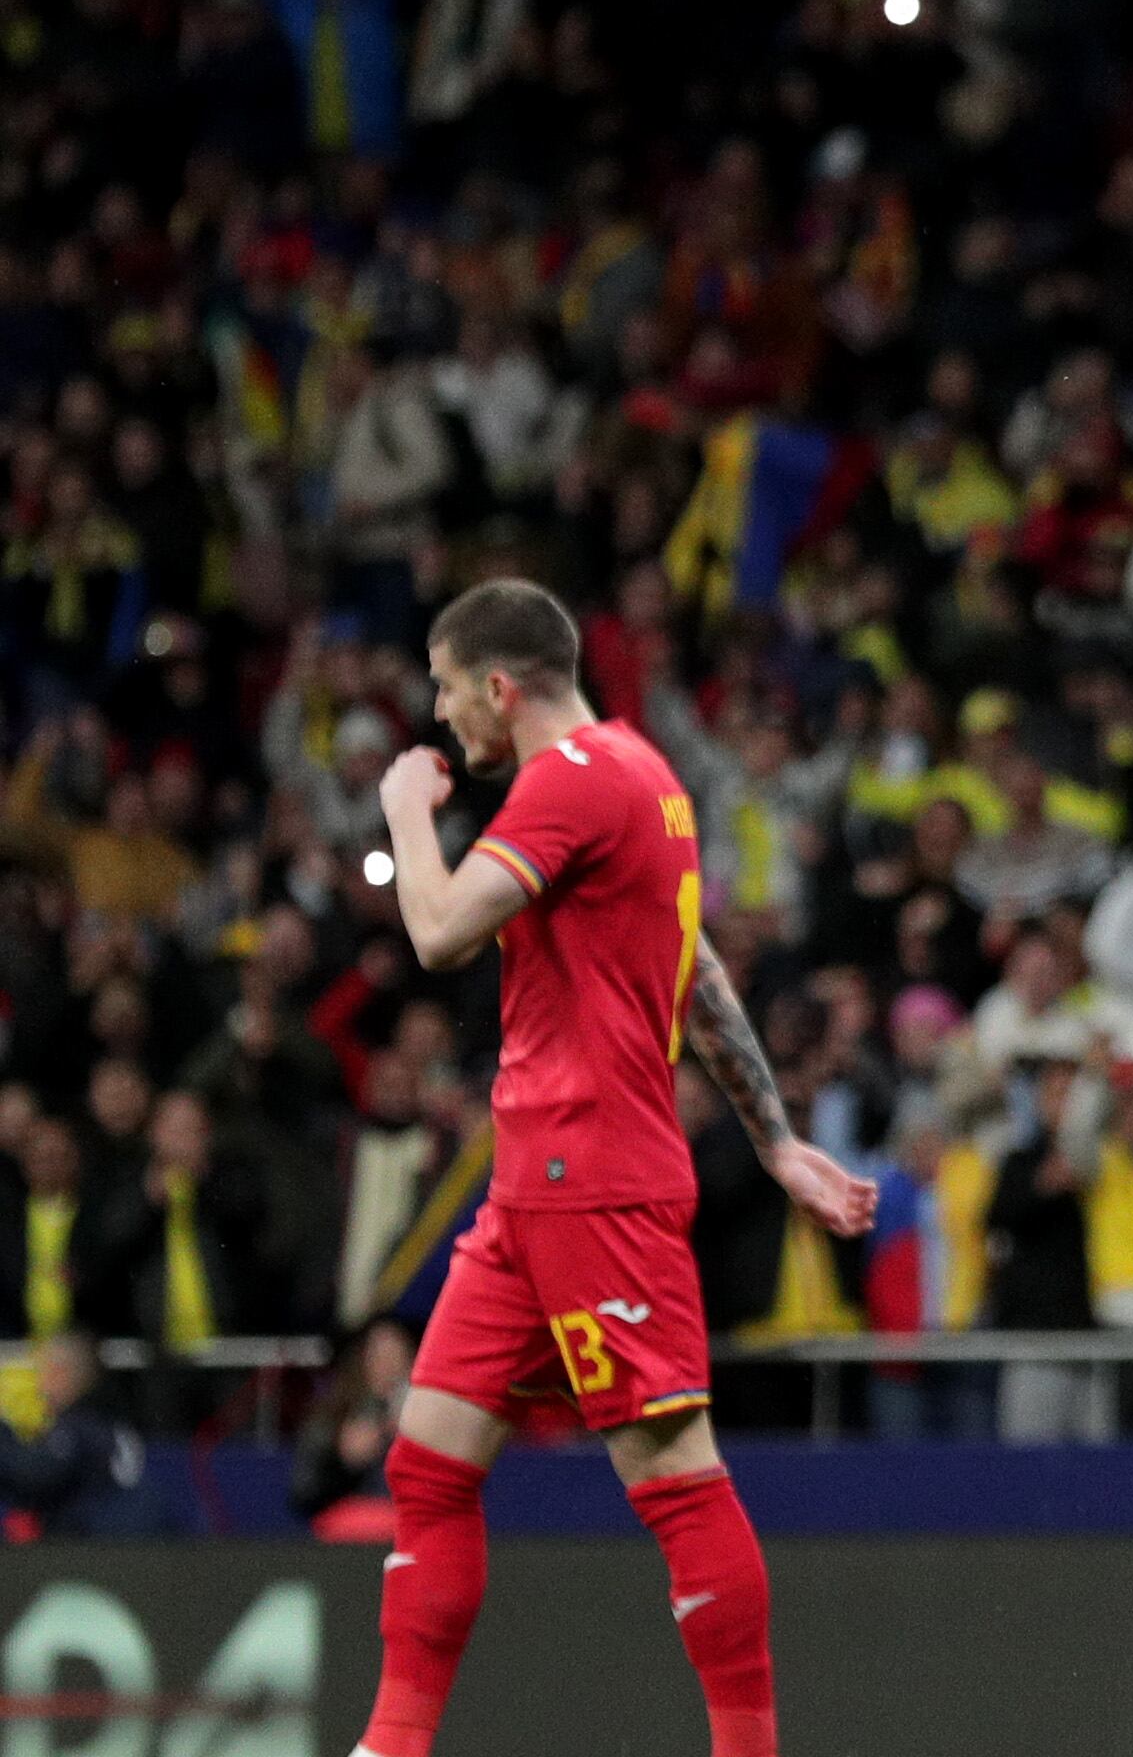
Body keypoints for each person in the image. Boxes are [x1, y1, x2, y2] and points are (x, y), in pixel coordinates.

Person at [357, 580, 879, 1757]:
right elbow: (698, 974)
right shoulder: (646, 774)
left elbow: (438, 932)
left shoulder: (570, 783)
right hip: (531, 1187)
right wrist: (775, 1138)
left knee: (673, 1475)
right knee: (427, 1461)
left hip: (596, 1182)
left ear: (499, 688)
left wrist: (404, 814)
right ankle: (391, 1746)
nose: (440, 716)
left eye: (446, 689)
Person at [0, 1331, 167, 1536]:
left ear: (60, 1373)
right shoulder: (107, 1414)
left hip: (102, 1543)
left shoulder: (80, 1425)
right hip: (131, 1538)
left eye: (41, 1371)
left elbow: (34, 1474)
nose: (38, 1383)